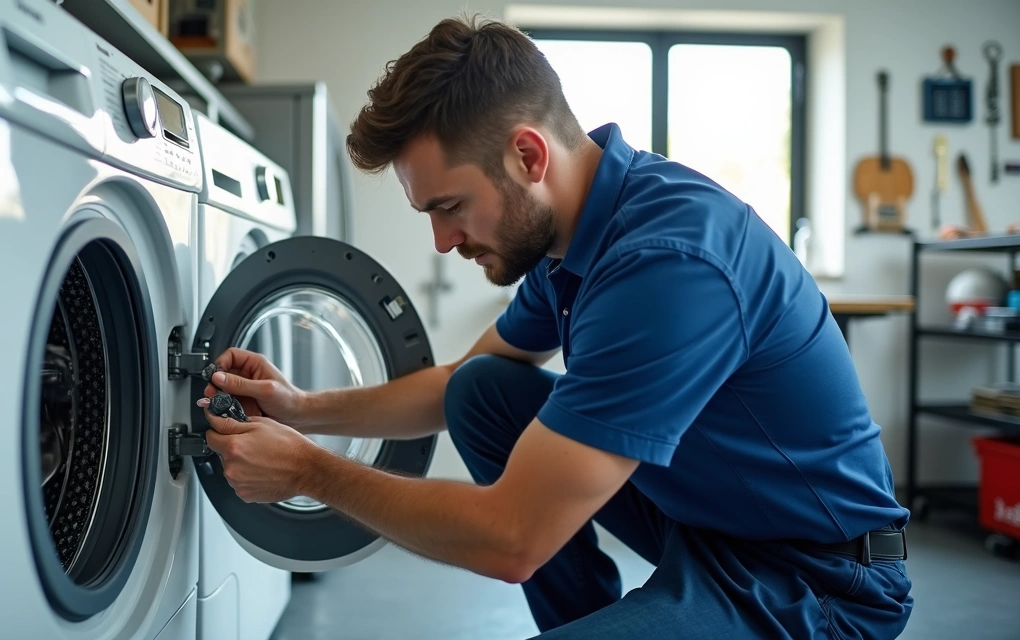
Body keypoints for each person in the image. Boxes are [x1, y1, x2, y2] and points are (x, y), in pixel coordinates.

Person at [194, 14, 913, 639]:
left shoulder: (666, 267)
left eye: (449, 207)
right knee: (482, 389)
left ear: (528, 156)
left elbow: (511, 541)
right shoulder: (571, 235)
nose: (443, 242)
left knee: (516, 511)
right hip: (710, 524)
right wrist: (302, 411)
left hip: (818, 582)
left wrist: (309, 472)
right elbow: (452, 388)